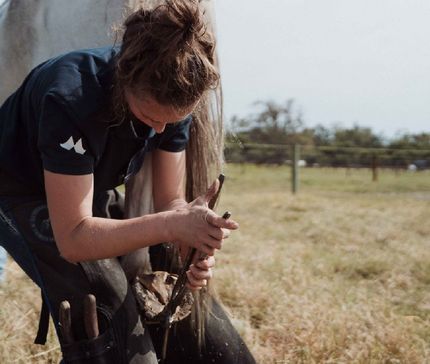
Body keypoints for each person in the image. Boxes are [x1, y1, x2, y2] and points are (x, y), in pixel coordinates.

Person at [0, 0, 256, 363]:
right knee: (109, 311)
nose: (160, 130)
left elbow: (170, 202)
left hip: (84, 190)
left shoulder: (173, 88)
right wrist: (171, 225)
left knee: (226, 355)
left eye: (173, 120)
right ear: (124, 78)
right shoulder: (71, 98)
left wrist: (189, 235)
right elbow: (74, 238)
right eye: (150, 116)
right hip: (17, 189)